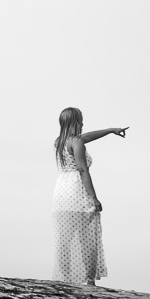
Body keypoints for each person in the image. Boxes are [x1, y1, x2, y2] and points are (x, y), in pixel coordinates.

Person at [51, 107, 128, 285]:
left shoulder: (59, 142)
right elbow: (83, 170)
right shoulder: (77, 142)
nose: (83, 123)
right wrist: (94, 197)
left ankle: (65, 280)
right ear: (75, 122)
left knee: (65, 240)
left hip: (61, 192)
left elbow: (87, 137)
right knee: (88, 237)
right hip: (77, 191)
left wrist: (110, 130)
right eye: (81, 120)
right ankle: (89, 281)